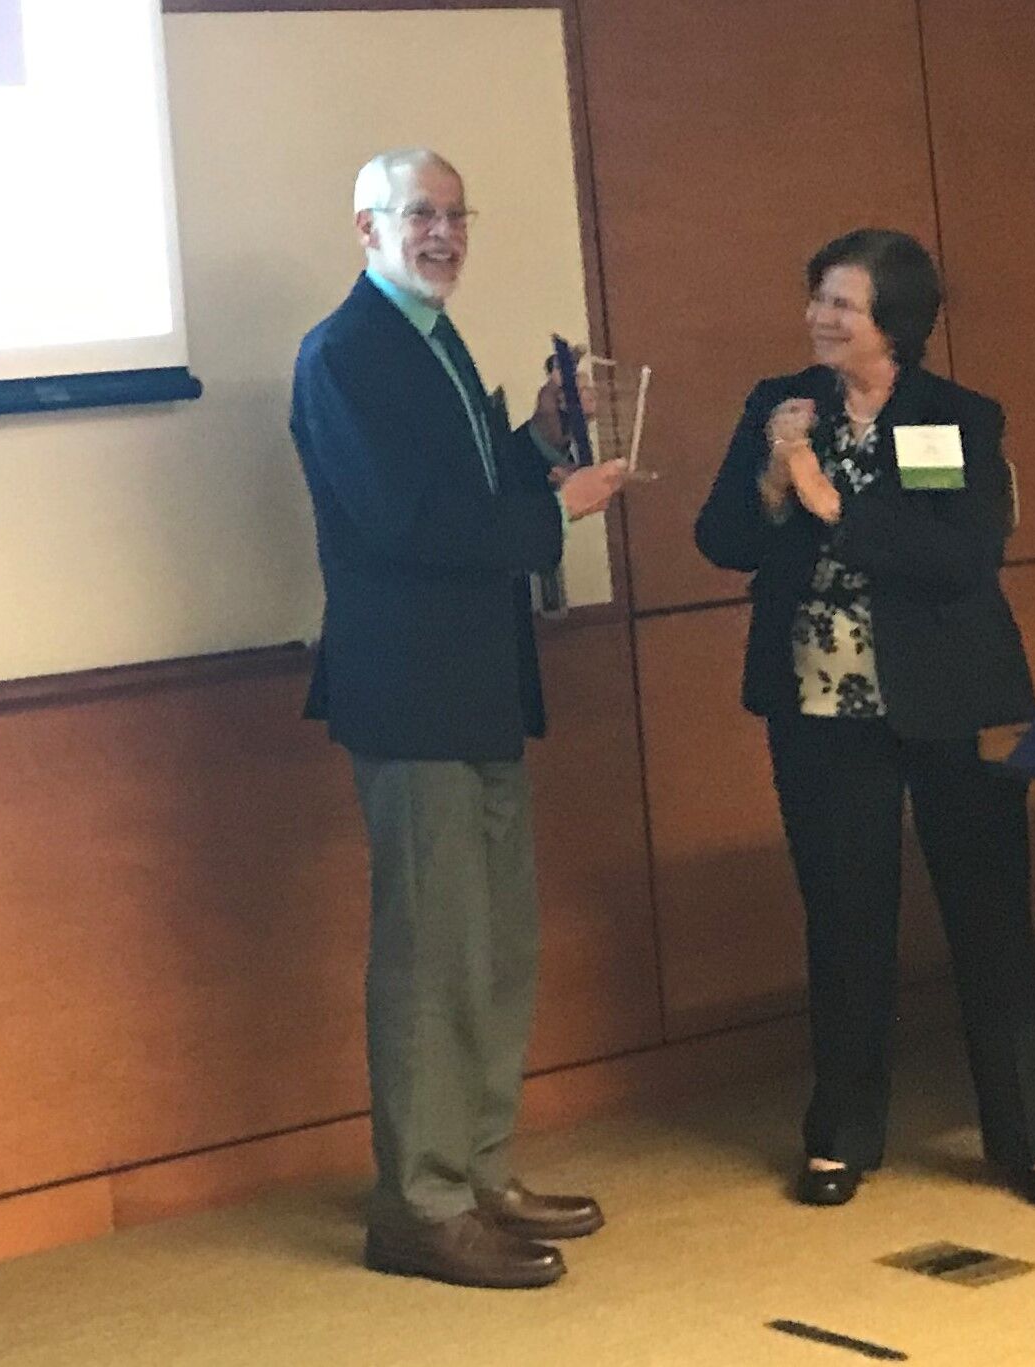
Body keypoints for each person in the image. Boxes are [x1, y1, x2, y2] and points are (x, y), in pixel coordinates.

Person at [290, 148, 630, 1288]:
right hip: (412, 688)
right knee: (434, 956)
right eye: (415, 215)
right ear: (365, 228)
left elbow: (465, 489)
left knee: (494, 944)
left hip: (477, 684)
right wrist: (554, 500)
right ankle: (420, 1204)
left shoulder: (429, 339)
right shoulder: (344, 351)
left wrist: (534, 440)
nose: (440, 233)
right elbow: (407, 526)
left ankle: (478, 1171)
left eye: (452, 214)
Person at [694, 228, 1035, 1210]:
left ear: (894, 325)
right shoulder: (778, 408)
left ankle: (1029, 1138)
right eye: (816, 297)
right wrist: (774, 479)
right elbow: (719, 540)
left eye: (843, 304)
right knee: (844, 913)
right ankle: (838, 1137)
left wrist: (830, 502)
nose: (819, 318)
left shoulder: (954, 417)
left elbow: (958, 557)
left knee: (988, 914)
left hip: (949, 697)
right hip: (818, 699)